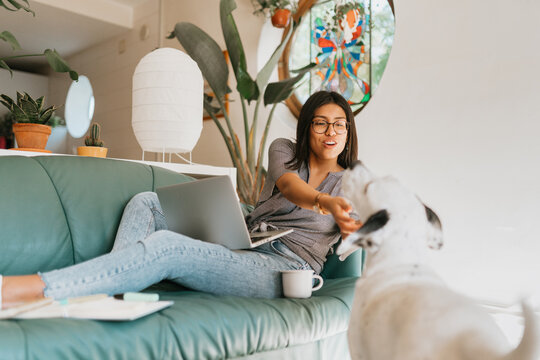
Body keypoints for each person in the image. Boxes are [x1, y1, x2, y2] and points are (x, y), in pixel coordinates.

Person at [0, 90, 361, 309]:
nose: (331, 132)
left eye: (340, 124)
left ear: (348, 130)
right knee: (146, 202)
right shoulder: (284, 150)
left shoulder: (355, 182)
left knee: (167, 247)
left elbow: (371, 224)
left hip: (285, 270)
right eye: (320, 123)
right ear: (307, 128)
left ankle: (30, 288)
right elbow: (289, 188)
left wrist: (353, 221)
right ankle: (112, 291)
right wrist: (324, 203)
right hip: (247, 240)